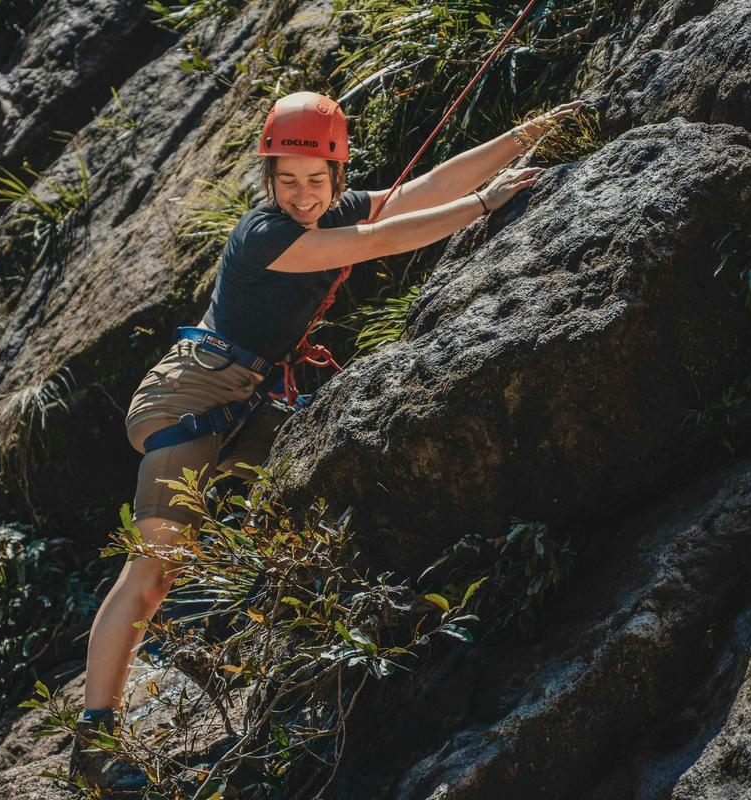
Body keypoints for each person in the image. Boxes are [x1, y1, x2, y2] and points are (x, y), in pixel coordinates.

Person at [69, 90, 582, 791]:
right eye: (287, 181)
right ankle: (94, 743)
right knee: (153, 570)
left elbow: (425, 188)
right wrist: (483, 206)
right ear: (268, 179)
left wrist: (524, 133)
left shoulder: (330, 209)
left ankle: (321, 647)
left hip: (248, 400)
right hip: (191, 398)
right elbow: (377, 241)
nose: (303, 195)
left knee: (318, 489)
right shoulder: (266, 234)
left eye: (317, 180)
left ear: (337, 175)